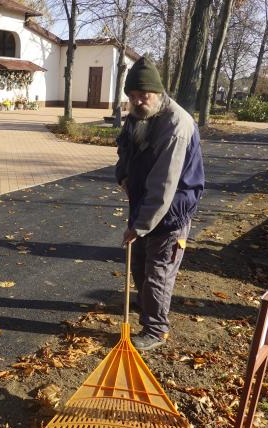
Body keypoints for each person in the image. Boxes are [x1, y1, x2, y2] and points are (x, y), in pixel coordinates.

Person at [114, 57, 205, 351]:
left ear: (159, 93)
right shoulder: (137, 116)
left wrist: (140, 225)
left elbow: (164, 183)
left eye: (145, 96)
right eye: (133, 96)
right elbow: (124, 149)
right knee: (139, 264)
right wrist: (123, 176)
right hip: (144, 204)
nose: (138, 101)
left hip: (171, 210)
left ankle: (155, 329)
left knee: (158, 271)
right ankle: (147, 311)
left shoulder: (176, 124)